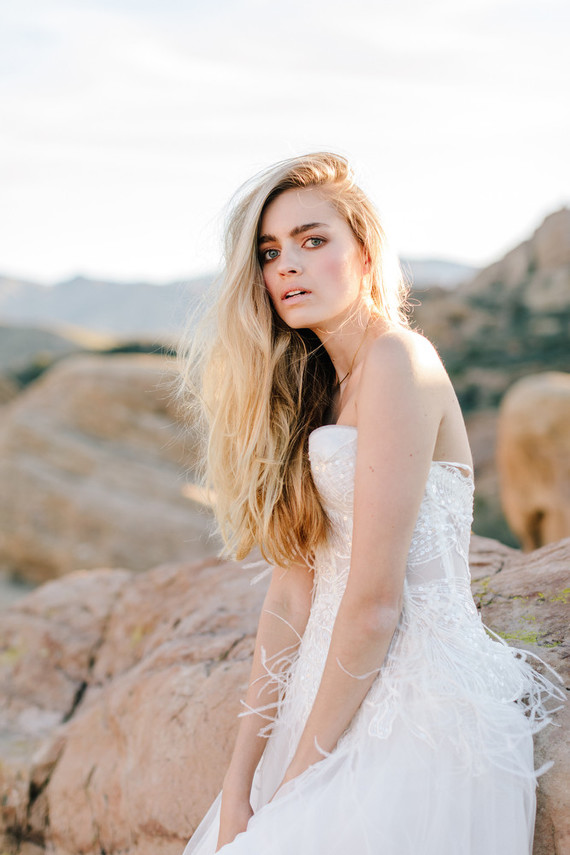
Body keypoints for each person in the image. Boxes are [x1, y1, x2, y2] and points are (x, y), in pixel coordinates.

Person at [177, 152, 564, 855]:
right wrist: (239, 784)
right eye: (271, 252)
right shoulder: (313, 393)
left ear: (364, 252)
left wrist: (295, 788)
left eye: (313, 240)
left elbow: (377, 602)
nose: (288, 265)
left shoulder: (398, 359)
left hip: (417, 708)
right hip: (325, 700)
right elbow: (291, 599)